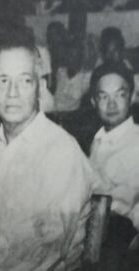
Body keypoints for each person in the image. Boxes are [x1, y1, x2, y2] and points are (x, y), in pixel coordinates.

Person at [0, 40, 99, 271]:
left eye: (24, 81)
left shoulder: (62, 153)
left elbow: (42, 253)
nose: (12, 93)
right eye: (3, 81)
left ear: (41, 87)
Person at [90, 63, 139, 270]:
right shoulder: (98, 138)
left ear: (133, 97)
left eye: (119, 95)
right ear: (93, 101)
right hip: (94, 231)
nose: (111, 105)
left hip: (123, 243)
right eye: (103, 97)